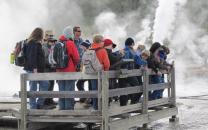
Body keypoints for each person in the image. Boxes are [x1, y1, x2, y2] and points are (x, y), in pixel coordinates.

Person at [23, 27, 49, 109]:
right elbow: (32, 57)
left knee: (45, 84)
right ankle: (33, 107)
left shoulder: (32, 43)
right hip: (33, 70)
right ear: (39, 34)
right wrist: (35, 69)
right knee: (33, 88)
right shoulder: (32, 43)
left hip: (36, 70)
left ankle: (38, 104)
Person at [56, 26, 80, 110]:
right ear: (70, 34)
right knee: (69, 90)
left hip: (59, 70)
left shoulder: (57, 43)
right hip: (69, 70)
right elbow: (76, 57)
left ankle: (62, 109)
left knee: (61, 91)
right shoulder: (70, 43)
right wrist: (76, 65)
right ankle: (68, 110)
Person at [118, 37, 143, 106]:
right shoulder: (132, 51)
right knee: (138, 87)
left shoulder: (121, 50)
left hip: (121, 73)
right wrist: (139, 52)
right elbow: (138, 61)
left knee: (122, 90)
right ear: (132, 44)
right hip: (130, 73)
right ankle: (133, 102)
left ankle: (122, 107)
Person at [90, 34, 110, 110]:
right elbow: (107, 64)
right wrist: (106, 72)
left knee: (94, 91)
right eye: (103, 41)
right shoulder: (102, 50)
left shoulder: (90, 49)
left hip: (92, 73)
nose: (104, 42)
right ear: (99, 41)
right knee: (102, 91)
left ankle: (95, 107)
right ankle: (102, 109)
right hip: (101, 74)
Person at [42, 31, 57, 108]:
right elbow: (43, 59)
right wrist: (50, 64)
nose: (51, 37)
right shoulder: (43, 46)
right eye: (50, 36)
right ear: (46, 36)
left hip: (52, 69)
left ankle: (50, 100)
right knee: (47, 85)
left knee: (52, 84)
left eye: (52, 35)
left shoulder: (52, 46)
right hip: (46, 69)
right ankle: (45, 101)